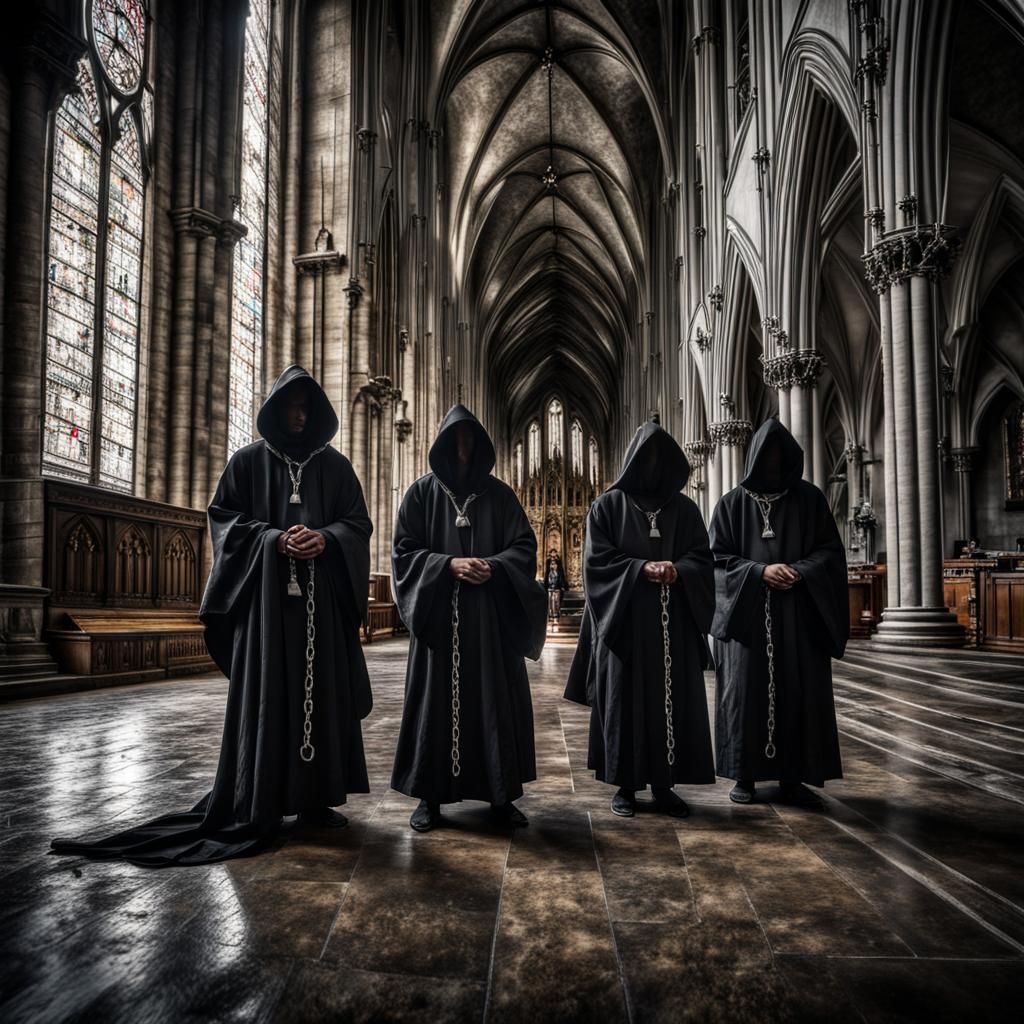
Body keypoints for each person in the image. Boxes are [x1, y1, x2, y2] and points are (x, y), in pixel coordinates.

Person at [51, 366, 373, 865]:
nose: (298, 414)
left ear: (317, 412)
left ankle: (315, 802)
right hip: (265, 614)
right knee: (269, 698)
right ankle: (260, 796)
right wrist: (274, 539)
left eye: (307, 407)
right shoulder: (246, 463)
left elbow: (357, 523)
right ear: (275, 409)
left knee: (320, 699)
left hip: (320, 615)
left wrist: (326, 537)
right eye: (290, 406)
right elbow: (223, 520)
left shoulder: (336, 468)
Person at [391, 405, 547, 832]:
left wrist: (494, 567)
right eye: (455, 443)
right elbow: (403, 552)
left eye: (469, 442)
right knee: (432, 706)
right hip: (437, 624)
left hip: (489, 626)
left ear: (480, 446)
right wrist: (447, 566)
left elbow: (523, 547)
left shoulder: (500, 496)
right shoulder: (421, 495)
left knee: (494, 704)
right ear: (442, 446)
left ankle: (500, 794)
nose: (462, 451)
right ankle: (429, 797)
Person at [564, 421, 715, 818]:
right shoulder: (607, 507)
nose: (651, 465)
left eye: (659, 456)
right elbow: (596, 563)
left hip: (672, 628)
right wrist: (641, 570)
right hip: (624, 626)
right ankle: (625, 786)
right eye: (644, 457)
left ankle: (665, 785)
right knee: (624, 702)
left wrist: (679, 570)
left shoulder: (684, 509)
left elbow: (703, 557)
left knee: (672, 702)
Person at [709, 418, 848, 810]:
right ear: (753, 457)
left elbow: (830, 552)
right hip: (748, 621)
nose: (772, 462)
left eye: (779, 454)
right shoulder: (732, 504)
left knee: (797, 691)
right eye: (765, 455)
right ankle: (744, 774)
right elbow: (716, 561)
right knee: (745, 694)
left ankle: (793, 775)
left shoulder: (810, 499)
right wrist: (758, 572)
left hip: (798, 618)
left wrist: (801, 571)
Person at [545, 552, 568, 621]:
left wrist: (562, 586)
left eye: (554, 564)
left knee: (556, 601)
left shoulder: (559, 572)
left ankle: (556, 613)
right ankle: (551, 613)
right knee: (550, 601)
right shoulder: (549, 572)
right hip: (550, 588)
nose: (553, 565)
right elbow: (547, 580)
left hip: (557, 588)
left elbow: (561, 579)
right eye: (551, 564)